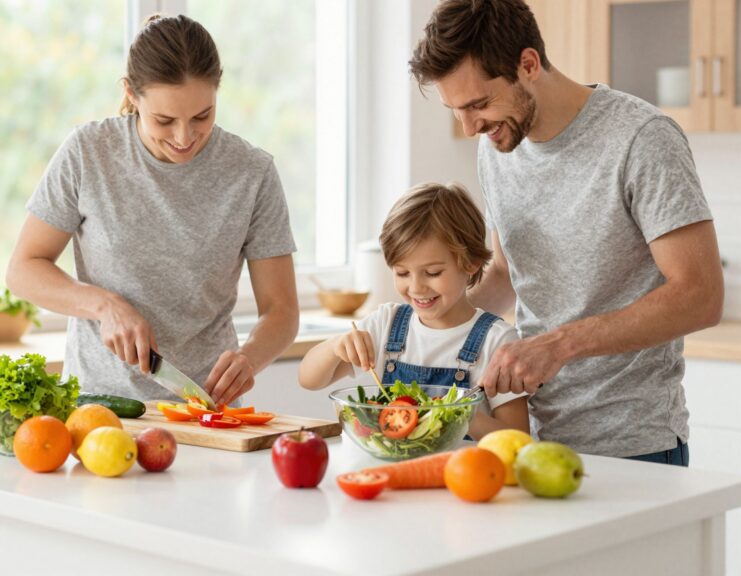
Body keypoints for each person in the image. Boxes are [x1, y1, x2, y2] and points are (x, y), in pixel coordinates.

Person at [409, 0, 724, 464]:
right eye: (456, 110)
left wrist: (559, 345)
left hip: (632, 445)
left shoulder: (641, 138)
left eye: (478, 104)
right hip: (528, 437)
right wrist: (421, 326)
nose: (471, 126)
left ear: (529, 64)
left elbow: (702, 295)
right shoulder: (498, 147)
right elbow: (506, 275)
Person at [5, 14, 299, 407]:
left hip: (205, 412)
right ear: (130, 94)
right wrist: (103, 305)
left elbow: (281, 311)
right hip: (99, 412)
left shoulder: (252, 173)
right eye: (164, 120)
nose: (184, 138)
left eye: (202, 116)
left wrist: (249, 358)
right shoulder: (88, 152)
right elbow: (23, 270)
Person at [299, 183, 529, 439]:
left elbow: (518, 439)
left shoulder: (498, 341)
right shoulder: (385, 324)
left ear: (471, 263)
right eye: (402, 273)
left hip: (462, 475)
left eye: (432, 273)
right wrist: (336, 347)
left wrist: (462, 414)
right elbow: (308, 379)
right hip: (391, 471)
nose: (416, 287)